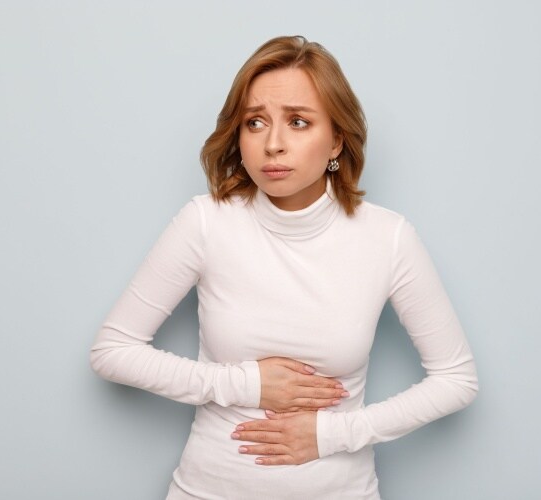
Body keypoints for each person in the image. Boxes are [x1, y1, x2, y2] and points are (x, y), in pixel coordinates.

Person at [90, 35, 478, 499]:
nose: (273, 144)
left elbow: (458, 380)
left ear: (336, 138)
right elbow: (112, 351)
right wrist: (245, 383)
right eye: (255, 122)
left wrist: (333, 434)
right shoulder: (206, 221)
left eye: (298, 122)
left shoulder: (387, 237)